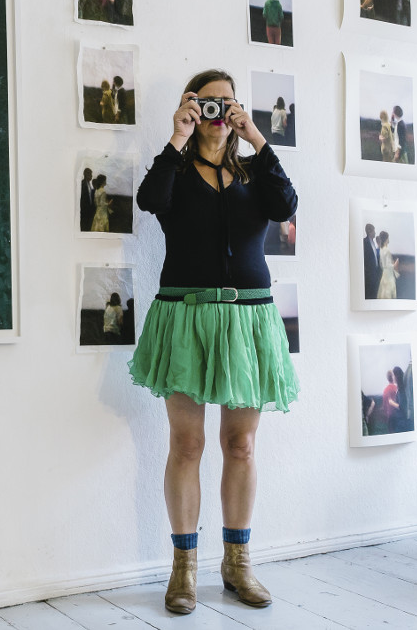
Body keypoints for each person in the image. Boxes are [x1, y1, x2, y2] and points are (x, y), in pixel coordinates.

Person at [128, 69, 299, 615]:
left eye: (227, 102)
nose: (217, 111)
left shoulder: (254, 170)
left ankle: (238, 563)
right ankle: (184, 569)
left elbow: (286, 205)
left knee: (241, 445)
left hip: (248, 320)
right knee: (187, 445)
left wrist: (257, 138)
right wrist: (177, 137)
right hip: (185, 317)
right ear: (191, 106)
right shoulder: (174, 168)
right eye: (207, 102)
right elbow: (150, 199)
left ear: (237, 108)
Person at [376, 230, 399, 299]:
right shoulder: (387, 250)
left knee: (383, 292)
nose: (388, 239)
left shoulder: (381, 250)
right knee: (389, 292)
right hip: (389, 275)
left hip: (384, 274)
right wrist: (395, 263)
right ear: (386, 239)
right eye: (388, 238)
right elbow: (389, 265)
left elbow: (381, 264)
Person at [363, 224, 382, 300]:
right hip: (369, 275)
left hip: (375, 274)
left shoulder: (373, 243)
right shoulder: (364, 242)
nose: (375, 233)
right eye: (374, 231)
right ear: (369, 231)